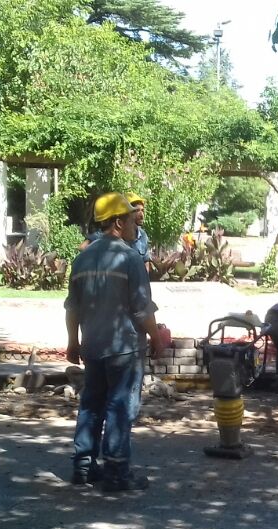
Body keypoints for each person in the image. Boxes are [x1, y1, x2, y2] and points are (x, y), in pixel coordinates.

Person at [64, 192, 170, 493]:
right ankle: (116, 472)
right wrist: (156, 338)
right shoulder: (130, 258)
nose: (137, 223)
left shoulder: (82, 259)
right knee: (120, 406)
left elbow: (72, 307)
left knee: (91, 404)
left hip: (93, 347)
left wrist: (73, 342)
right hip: (124, 347)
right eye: (131, 218)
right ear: (119, 223)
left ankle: (83, 467)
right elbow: (141, 308)